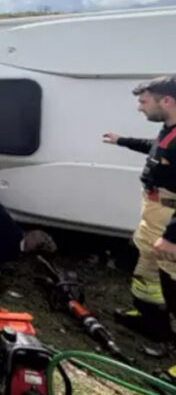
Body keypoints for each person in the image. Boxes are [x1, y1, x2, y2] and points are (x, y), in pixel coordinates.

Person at [103, 76, 176, 364]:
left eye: (144, 101)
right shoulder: (169, 131)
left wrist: (172, 237)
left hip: (170, 216)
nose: (139, 108)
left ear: (166, 101)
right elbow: (155, 148)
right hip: (156, 210)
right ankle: (151, 320)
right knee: (147, 270)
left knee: (172, 281)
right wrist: (122, 141)